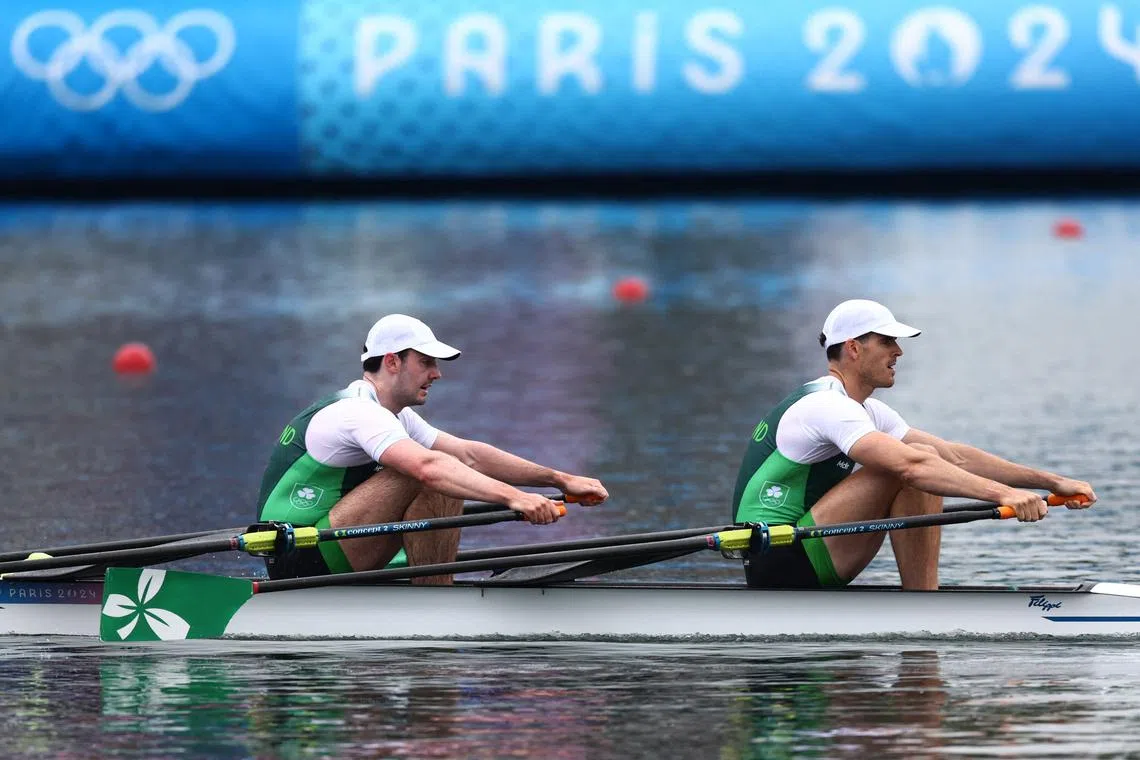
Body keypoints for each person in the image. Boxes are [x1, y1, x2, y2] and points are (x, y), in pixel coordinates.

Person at [731, 299, 1096, 591]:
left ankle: (923, 599)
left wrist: (1049, 481)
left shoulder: (866, 411)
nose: (898, 352)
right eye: (887, 342)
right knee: (910, 467)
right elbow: (913, 466)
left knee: (929, 458)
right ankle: (923, 602)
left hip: (809, 548)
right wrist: (1004, 495)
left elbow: (955, 456)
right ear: (854, 349)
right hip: (778, 556)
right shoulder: (826, 406)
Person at [256, 313, 609, 583]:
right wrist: (514, 498)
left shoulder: (394, 416)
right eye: (426, 362)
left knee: (446, 463)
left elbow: (470, 455)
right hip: (299, 557)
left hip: (333, 544)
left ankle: (433, 590)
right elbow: (429, 468)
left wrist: (559, 480)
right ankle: (435, 596)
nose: (436, 373)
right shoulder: (356, 412)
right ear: (392, 361)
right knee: (430, 470)